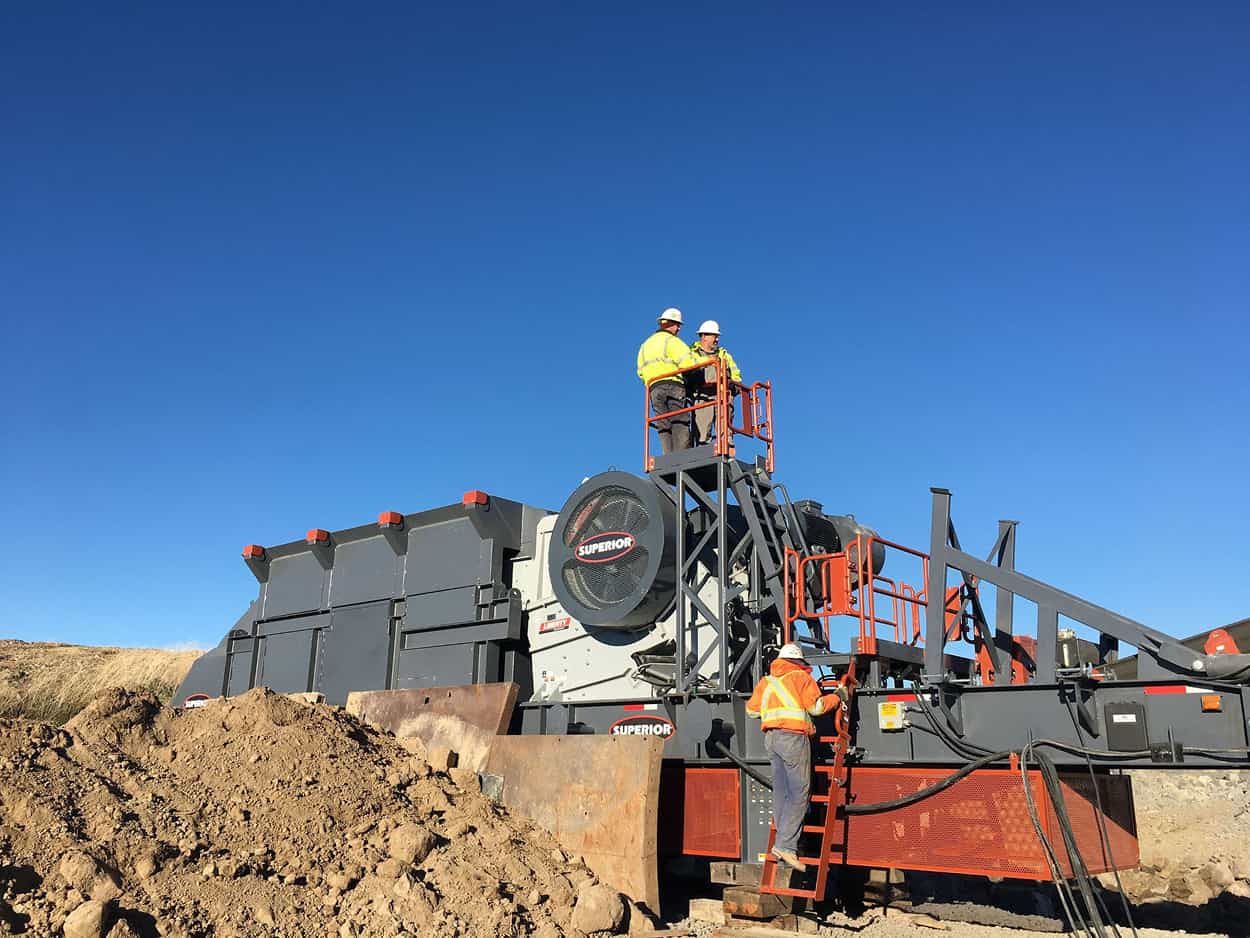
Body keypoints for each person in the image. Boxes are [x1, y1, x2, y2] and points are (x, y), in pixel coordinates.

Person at [746, 643, 847, 872]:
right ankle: (786, 845)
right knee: (800, 791)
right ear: (799, 662)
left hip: (771, 739)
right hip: (793, 739)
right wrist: (837, 696)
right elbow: (817, 708)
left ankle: (782, 841)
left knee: (782, 792)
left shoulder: (766, 682)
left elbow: (751, 711)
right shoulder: (801, 678)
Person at [637, 308, 696, 453]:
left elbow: (640, 371)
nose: (679, 329)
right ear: (672, 324)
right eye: (678, 325)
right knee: (679, 420)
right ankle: (682, 454)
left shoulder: (645, 345)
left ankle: (668, 455)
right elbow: (689, 364)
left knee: (663, 423)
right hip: (673, 384)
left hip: (653, 388)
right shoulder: (672, 341)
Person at [688, 320, 742, 445]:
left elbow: (736, 375)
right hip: (702, 396)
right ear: (704, 336)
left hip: (722, 395)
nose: (717, 339)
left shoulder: (724, 355)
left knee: (725, 429)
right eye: (714, 336)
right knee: (702, 431)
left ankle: (726, 449)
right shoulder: (692, 353)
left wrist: (734, 385)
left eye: (717, 336)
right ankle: (702, 453)